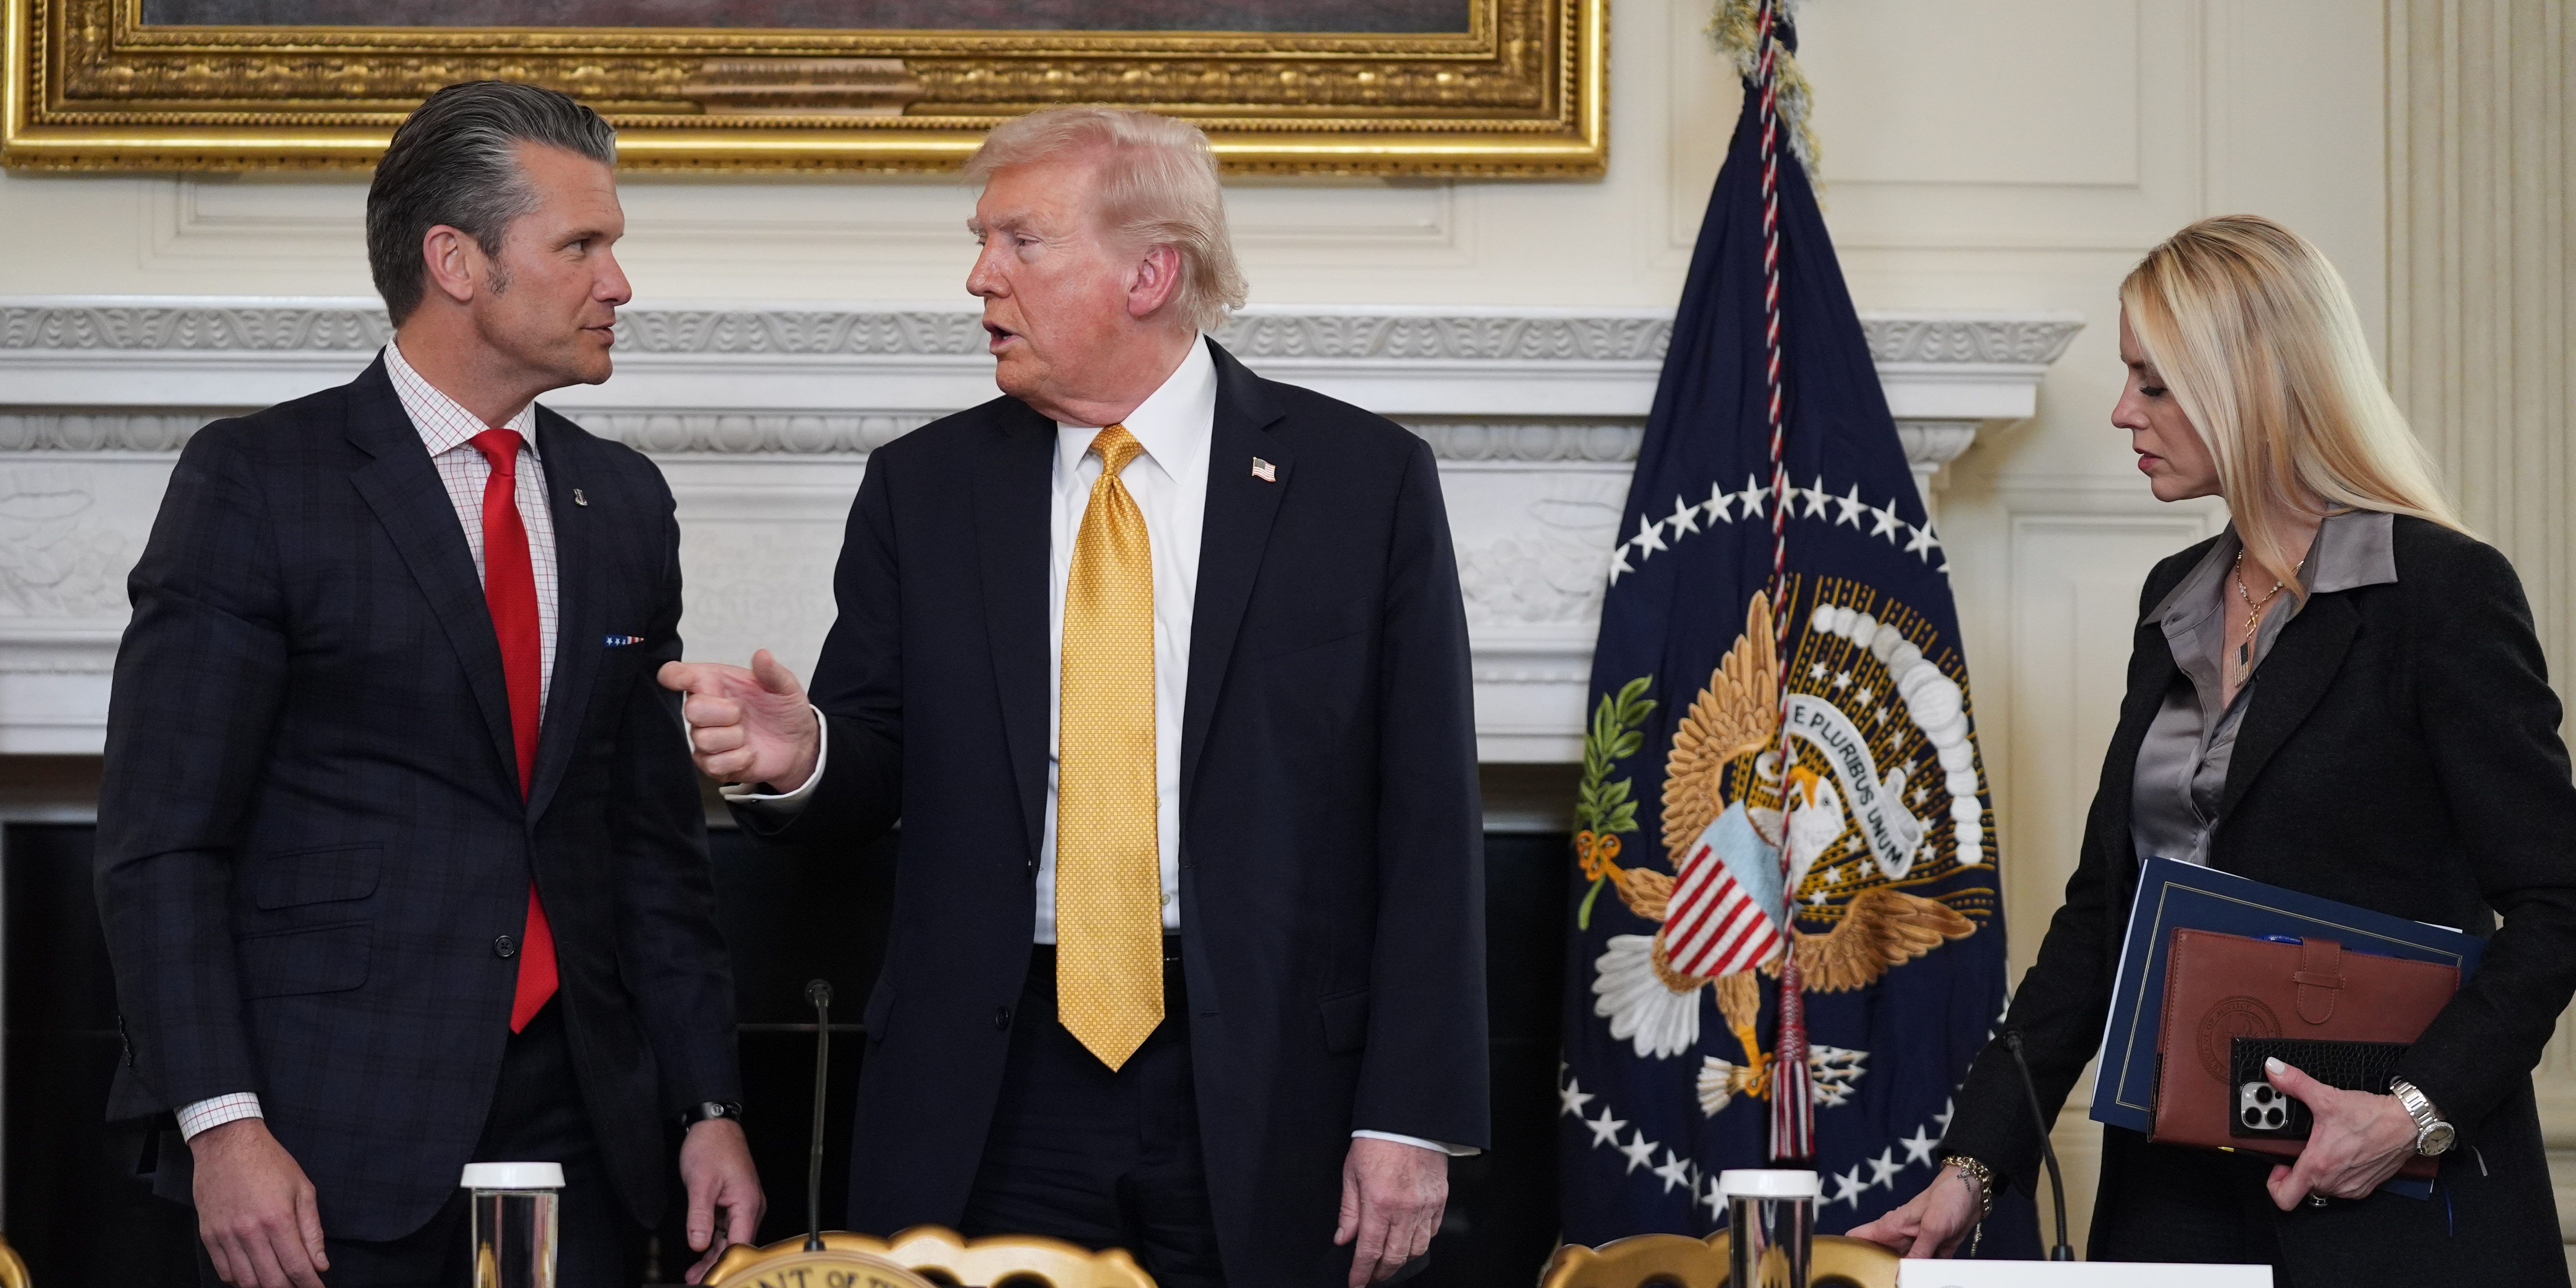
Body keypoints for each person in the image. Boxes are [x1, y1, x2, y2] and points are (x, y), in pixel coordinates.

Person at [659, 107, 1488, 1288]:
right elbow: (871, 761)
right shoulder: (926, 488)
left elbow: (1426, 821)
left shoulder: (1359, 485)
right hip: (996, 1078)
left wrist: (1409, 1114)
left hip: (1261, 1077)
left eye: (1019, 242)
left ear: (1150, 271)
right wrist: (803, 757)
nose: (977, 276)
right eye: (981, 241)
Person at [95, 81, 764, 1288]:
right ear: (457, 262)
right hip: (324, 1149)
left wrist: (704, 1105)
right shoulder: (259, 482)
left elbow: (648, 846)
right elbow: (163, 847)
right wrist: (221, 1126)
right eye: (582, 246)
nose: (617, 283)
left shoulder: (621, 505)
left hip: (583, 1135)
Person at [1850, 214, 2576, 1281]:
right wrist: (1974, 1164)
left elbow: (2558, 901)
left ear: (2251, 385)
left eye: (2152, 382)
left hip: (2397, 1212)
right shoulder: (2171, 601)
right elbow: (2103, 918)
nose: (2119, 412)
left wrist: (2411, 1114)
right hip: (2175, 1200)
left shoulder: (2440, 592)